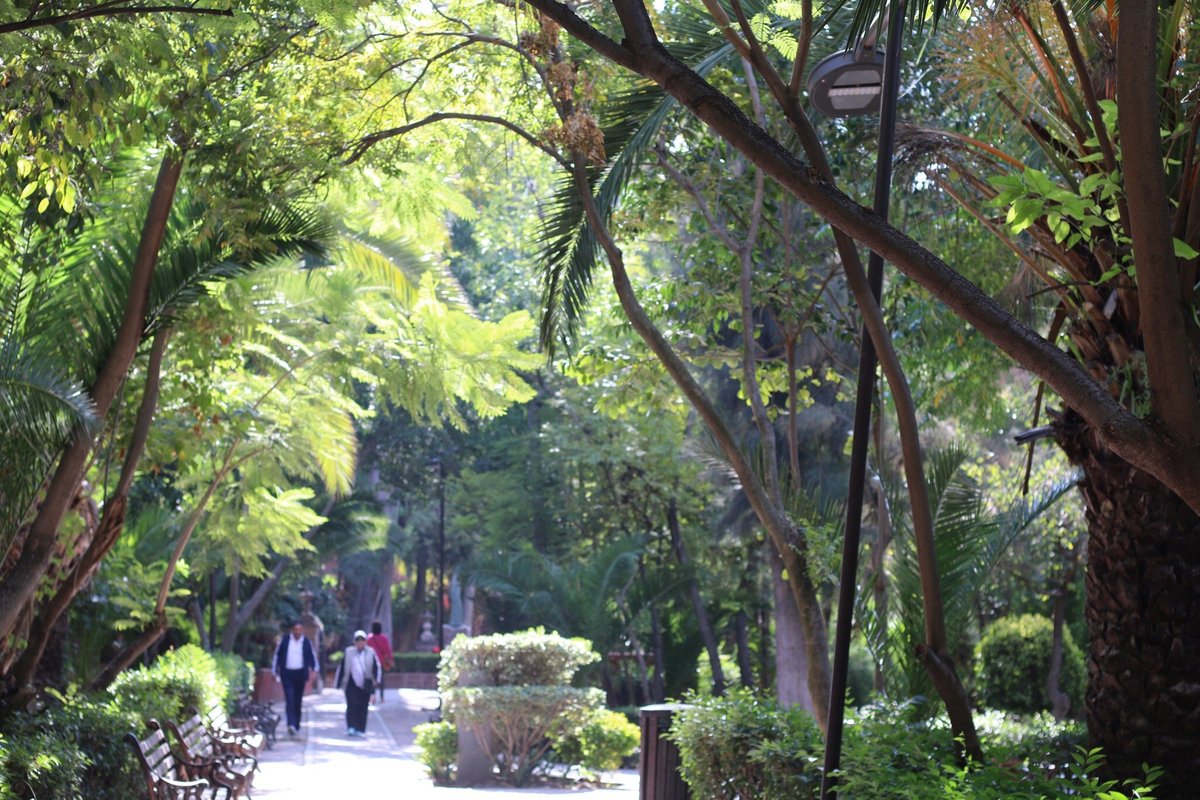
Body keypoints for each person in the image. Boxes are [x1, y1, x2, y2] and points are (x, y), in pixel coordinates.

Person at [272, 620, 316, 737]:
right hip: (287, 674)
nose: (298, 632)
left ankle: (296, 724)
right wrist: (274, 671)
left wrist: (314, 670)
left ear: (302, 631)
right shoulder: (285, 641)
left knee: (297, 700)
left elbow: (312, 657)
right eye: (296, 630)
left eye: (300, 630)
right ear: (292, 630)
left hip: (300, 674)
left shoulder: (306, 642)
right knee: (290, 699)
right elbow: (277, 656)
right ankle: (290, 724)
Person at [334, 629, 382, 737]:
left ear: (365, 641)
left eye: (362, 640)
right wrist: (337, 684)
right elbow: (341, 668)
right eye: (358, 640)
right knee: (351, 705)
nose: (360, 642)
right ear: (354, 641)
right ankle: (351, 727)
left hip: (366, 684)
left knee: (363, 706)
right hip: (351, 684)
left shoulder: (371, 652)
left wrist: (375, 684)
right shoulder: (348, 652)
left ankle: (361, 729)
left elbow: (376, 668)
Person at [365, 621, 394, 703]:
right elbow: (388, 651)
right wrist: (391, 659)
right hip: (381, 662)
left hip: (371, 662)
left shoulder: (369, 638)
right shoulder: (383, 638)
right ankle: (381, 697)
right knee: (381, 680)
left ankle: (373, 697)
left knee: (372, 679)